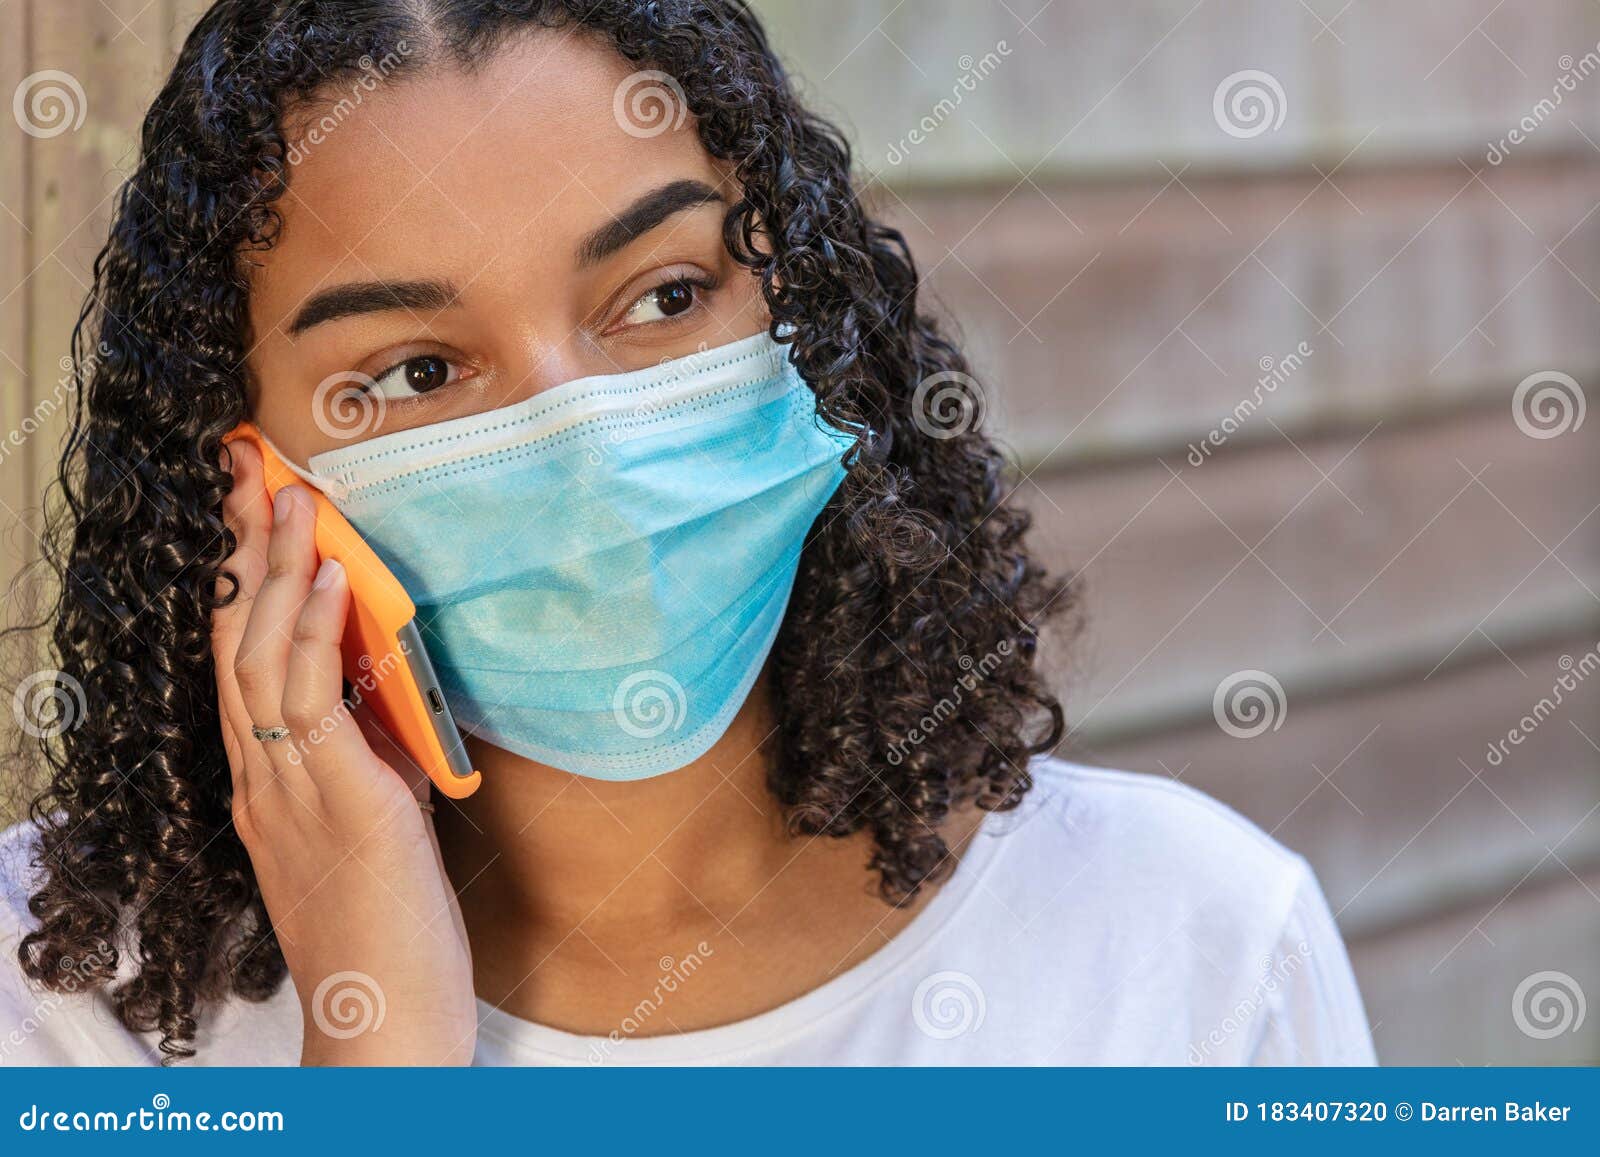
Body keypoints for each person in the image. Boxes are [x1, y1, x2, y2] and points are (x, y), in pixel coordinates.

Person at [0, 0, 1374, 1067]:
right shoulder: (58, 1006)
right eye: (418, 370)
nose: (587, 438)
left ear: (805, 316)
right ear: (243, 478)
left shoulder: (1192, 947)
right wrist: (378, 1046)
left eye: (664, 294)